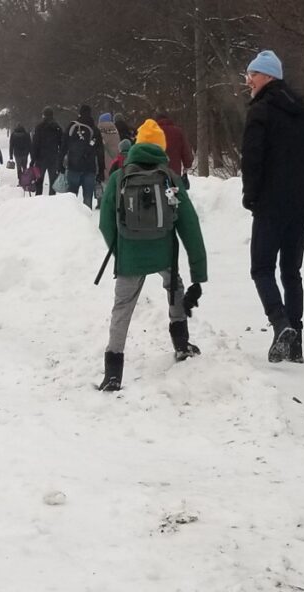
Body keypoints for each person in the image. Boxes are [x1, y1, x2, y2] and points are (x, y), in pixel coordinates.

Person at [97, 119, 208, 392]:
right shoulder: (170, 178)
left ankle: (113, 370)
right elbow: (189, 225)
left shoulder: (119, 177)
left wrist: (120, 248)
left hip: (130, 256)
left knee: (122, 308)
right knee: (175, 289)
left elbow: (105, 223)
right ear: (161, 147)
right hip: (164, 252)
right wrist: (199, 273)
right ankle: (181, 344)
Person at [241, 50, 304, 364]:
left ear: (267, 76)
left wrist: (251, 194)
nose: (248, 81)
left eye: (252, 74)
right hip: (301, 205)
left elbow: (252, 159)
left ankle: (280, 324)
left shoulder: (261, 111)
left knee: (261, 268)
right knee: (291, 271)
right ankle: (296, 345)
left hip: (270, 203)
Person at [62, 104, 106, 208]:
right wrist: (101, 171)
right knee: (87, 198)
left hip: (74, 166)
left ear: (79, 113)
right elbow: (100, 152)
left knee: (71, 198)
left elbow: (64, 146)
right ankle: (87, 220)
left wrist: (60, 164)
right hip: (89, 168)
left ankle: (70, 218)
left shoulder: (72, 127)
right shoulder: (95, 130)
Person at [31, 107, 63, 195]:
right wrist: (60, 158)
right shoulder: (57, 128)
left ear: (43, 115)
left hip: (40, 158)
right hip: (53, 158)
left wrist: (33, 159)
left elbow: (35, 144)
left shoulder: (39, 127)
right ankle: (51, 200)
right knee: (53, 180)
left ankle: (38, 197)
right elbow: (61, 144)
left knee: (39, 180)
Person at [156, 112, 194, 185]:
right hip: (174, 173)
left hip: (157, 172)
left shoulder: (152, 132)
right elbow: (185, 151)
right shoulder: (178, 131)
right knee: (175, 193)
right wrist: (187, 164)